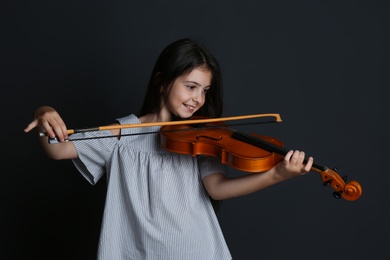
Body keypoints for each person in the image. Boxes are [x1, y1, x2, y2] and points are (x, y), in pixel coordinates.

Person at [24, 38, 313, 260]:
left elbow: (217, 188)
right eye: (191, 86)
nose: (198, 99)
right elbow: (56, 149)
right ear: (162, 82)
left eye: (205, 90)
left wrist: (277, 175)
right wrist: (44, 111)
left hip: (196, 250)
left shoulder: (202, 136)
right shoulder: (123, 134)